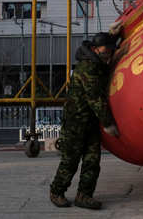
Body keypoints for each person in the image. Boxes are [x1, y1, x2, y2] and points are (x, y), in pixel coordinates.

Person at [50, 24, 122, 210]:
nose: (109, 54)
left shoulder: (97, 62)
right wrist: (108, 124)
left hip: (90, 122)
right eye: (105, 51)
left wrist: (113, 35)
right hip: (76, 122)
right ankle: (57, 191)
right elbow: (96, 99)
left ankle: (84, 195)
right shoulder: (88, 68)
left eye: (110, 51)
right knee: (70, 160)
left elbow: (106, 47)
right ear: (94, 49)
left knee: (92, 160)